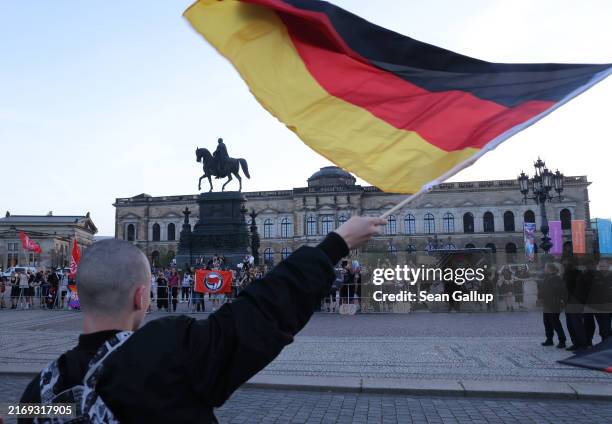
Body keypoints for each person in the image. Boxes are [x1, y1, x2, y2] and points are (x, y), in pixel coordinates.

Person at [19, 216, 384, 423]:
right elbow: (261, 312)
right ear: (142, 296)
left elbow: (20, 411)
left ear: (78, 294)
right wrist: (334, 245)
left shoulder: (43, 388)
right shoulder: (169, 352)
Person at [537, 263, 567, 348]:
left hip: (553, 304)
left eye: (546, 268)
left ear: (550, 269)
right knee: (547, 322)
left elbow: (559, 290)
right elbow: (543, 289)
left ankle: (562, 340)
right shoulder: (547, 277)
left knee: (555, 322)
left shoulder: (556, 278)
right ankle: (549, 339)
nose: (544, 269)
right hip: (546, 304)